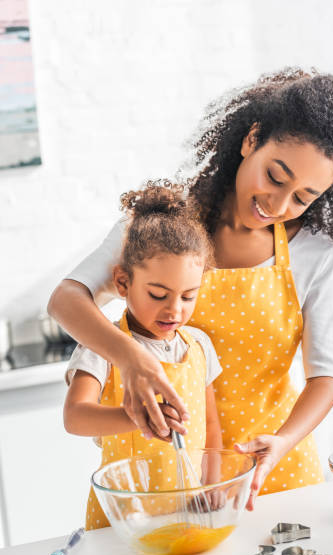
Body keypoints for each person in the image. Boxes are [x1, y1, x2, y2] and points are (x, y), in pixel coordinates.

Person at [50, 67, 333, 511]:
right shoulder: (160, 229)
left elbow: (326, 376)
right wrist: (133, 360)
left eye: (303, 196)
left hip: (274, 477)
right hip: (171, 483)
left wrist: (282, 442)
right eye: (275, 177)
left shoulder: (313, 253)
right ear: (251, 139)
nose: (278, 205)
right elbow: (66, 299)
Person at [63, 183, 223, 529]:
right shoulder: (103, 345)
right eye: (158, 294)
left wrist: (214, 483)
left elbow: (210, 425)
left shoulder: (198, 345)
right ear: (122, 283)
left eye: (188, 296)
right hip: (121, 519)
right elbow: (74, 417)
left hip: (187, 513)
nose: (174, 310)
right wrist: (135, 418)